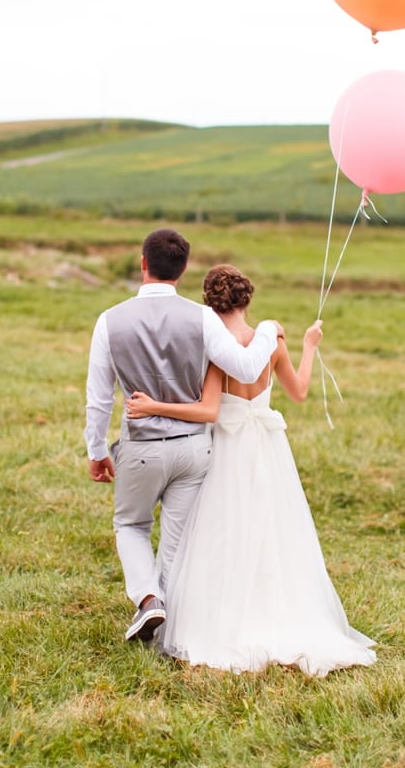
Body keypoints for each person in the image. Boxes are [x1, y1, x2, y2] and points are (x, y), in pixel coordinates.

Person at [125, 264, 377, 677]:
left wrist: (153, 406)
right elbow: (298, 392)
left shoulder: (214, 347)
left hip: (224, 446)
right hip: (267, 446)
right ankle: (276, 610)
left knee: (219, 531)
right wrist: (310, 345)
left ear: (208, 302)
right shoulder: (271, 339)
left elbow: (206, 410)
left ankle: (217, 616)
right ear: (247, 300)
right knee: (271, 529)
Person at [84, 231, 281, 643]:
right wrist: (268, 331)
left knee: (131, 525)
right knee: (175, 542)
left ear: (142, 264)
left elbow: (99, 399)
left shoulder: (109, 320)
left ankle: (148, 599)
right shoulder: (203, 317)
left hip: (139, 447)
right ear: (184, 269)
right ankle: (163, 633)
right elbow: (246, 369)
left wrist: (97, 451)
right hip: (194, 448)